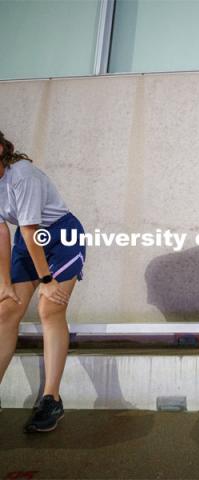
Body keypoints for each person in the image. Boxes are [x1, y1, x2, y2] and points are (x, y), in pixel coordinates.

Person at [0, 131, 86, 431]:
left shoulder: (22, 176)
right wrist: (4, 282)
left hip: (61, 236)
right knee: (7, 309)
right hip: (29, 241)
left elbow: (29, 232)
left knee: (49, 308)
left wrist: (47, 280)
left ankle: (51, 398)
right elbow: (1, 233)